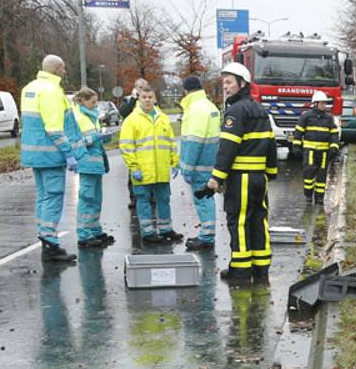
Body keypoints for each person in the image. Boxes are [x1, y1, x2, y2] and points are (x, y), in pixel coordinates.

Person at [203, 61, 278, 285]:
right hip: (259, 179)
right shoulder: (260, 110)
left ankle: (242, 272)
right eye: (223, 82)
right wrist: (271, 172)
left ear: (242, 83)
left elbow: (227, 148)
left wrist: (217, 178)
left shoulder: (234, 112)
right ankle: (261, 270)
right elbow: (271, 145)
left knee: (239, 223)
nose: (225, 87)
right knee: (258, 221)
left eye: (229, 82)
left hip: (241, 178)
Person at [20, 54, 78, 263]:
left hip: (34, 153)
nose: (64, 72)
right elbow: (54, 127)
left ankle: (45, 237)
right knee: (53, 196)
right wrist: (69, 153)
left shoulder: (30, 88)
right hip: (50, 153)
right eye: (63, 69)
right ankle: (50, 242)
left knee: (43, 196)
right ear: (56, 69)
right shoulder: (52, 91)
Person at [119, 87, 182, 244]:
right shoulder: (132, 120)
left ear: (155, 99)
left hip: (161, 170)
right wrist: (133, 167)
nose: (147, 100)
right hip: (143, 170)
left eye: (150, 97)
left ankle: (166, 229)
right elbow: (126, 146)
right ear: (139, 99)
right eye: (144, 97)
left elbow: (170, 142)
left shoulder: (163, 118)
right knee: (143, 201)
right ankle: (147, 233)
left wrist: (175, 162)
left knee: (164, 199)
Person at [66, 87, 114, 249]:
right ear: (82, 101)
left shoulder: (92, 116)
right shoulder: (76, 116)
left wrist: (103, 138)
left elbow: (92, 138)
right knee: (87, 198)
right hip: (86, 162)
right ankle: (84, 233)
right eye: (92, 102)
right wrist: (95, 137)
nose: (95, 105)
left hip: (96, 162)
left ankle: (94, 228)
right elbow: (75, 141)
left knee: (96, 198)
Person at [177, 75, 220, 251]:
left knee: (202, 199)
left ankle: (206, 236)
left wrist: (186, 167)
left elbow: (194, 142)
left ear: (186, 90)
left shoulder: (195, 109)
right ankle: (207, 233)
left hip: (198, 164)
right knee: (207, 197)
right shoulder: (210, 106)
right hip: (209, 161)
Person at [295, 91, 340, 205]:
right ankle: (308, 195)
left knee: (321, 175)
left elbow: (334, 134)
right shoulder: (306, 116)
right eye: (322, 103)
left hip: (324, 153)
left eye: (325, 103)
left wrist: (334, 147)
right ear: (315, 104)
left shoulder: (329, 118)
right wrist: (296, 145)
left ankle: (319, 198)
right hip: (310, 151)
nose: (324, 105)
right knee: (309, 174)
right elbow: (299, 132)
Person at [118, 79, 149, 210]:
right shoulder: (129, 100)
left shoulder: (149, 100)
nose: (142, 90)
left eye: (144, 87)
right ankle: (134, 197)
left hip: (147, 140)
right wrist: (133, 99)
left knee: (149, 169)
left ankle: (150, 196)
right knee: (134, 170)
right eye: (139, 87)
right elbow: (123, 112)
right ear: (135, 88)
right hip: (133, 141)